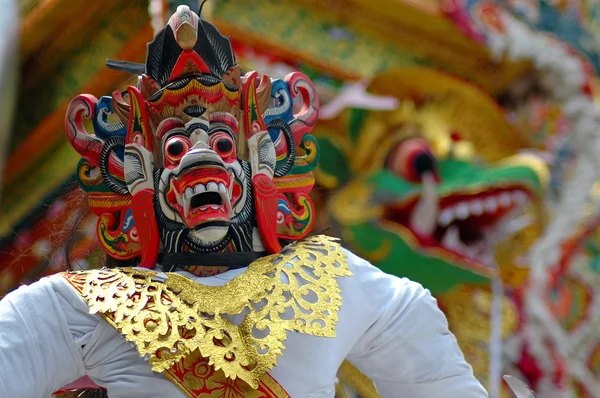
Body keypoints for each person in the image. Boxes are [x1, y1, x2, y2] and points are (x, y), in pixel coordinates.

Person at [0, 5, 487, 398]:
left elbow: (437, 379)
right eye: (174, 147)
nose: (199, 154)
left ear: (260, 161)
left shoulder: (331, 282)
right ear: (140, 172)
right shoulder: (80, 308)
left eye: (223, 142)